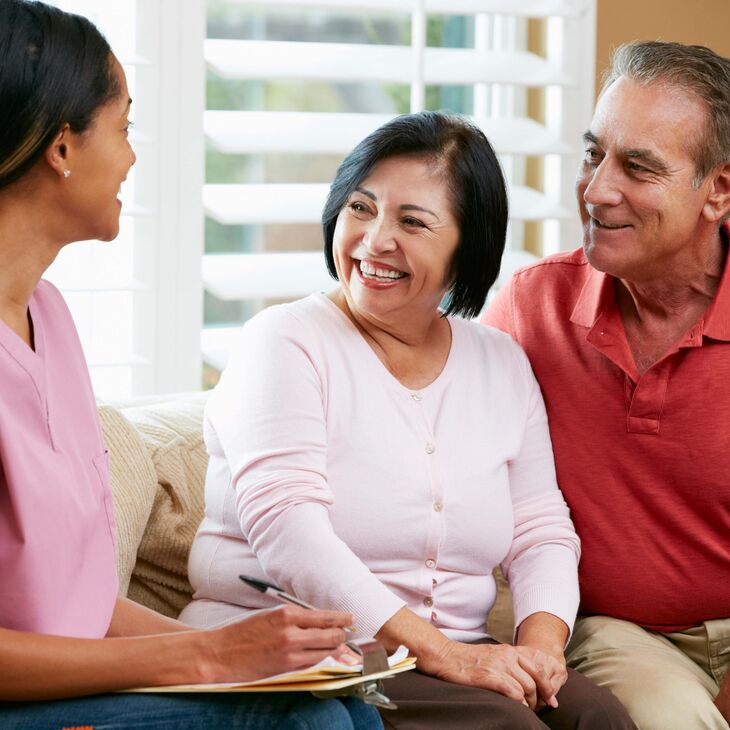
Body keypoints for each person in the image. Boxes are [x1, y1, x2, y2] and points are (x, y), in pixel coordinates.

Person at [179, 110, 635, 729]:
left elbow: (540, 528)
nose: (373, 241)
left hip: (448, 657)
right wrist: (445, 655)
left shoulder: (500, 361)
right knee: (507, 728)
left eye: (412, 222)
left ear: (466, 248)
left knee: (598, 718)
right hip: (310, 654)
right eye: (360, 209)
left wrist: (541, 649)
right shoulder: (284, 341)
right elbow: (290, 531)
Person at [0, 2, 384, 729]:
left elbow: (75, 609)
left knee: (342, 705)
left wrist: (255, 653)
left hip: (70, 692)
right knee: (306, 726)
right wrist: (206, 661)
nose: (134, 155)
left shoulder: (48, 317)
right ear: (61, 148)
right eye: (124, 127)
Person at [483, 40, 730, 730]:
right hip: (626, 635)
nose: (596, 190)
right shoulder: (531, 310)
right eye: (594, 155)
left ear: (720, 190)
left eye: (638, 167)